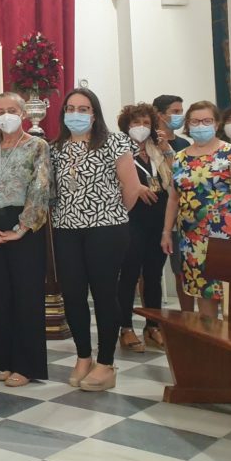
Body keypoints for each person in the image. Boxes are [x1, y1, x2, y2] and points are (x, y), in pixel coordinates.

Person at [50, 87, 140, 392]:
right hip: (66, 229)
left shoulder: (114, 142)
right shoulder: (55, 148)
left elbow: (131, 188)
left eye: (83, 109)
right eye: (71, 108)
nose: (76, 114)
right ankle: (83, 357)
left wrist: (108, 214)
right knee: (73, 294)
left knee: (103, 293)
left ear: (94, 113)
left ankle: (106, 362)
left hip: (107, 228)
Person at [0, 92, 51, 387]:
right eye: (0, 110)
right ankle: (2, 360)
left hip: (24, 228)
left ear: (24, 113)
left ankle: (26, 365)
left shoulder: (37, 146)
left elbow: (41, 188)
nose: (6, 115)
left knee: (26, 297)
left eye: (12, 109)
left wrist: (22, 227)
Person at [162, 100, 231, 319]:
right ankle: (212, 349)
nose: (200, 125)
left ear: (216, 123)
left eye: (206, 121)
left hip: (225, 236)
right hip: (191, 239)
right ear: (188, 124)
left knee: (230, 295)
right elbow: (174, 199)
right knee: (202, 294)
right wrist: (167, 232)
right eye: (195, 121)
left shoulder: (230, 153)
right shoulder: (180, 157)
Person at [116, 103, 171, 352]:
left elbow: (173, 179)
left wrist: (166, 149)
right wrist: (136, 188)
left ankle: (153, 326)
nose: (141, 127)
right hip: (131, 218)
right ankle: (125, 328)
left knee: (153, 275)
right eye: (135, 123)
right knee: (129, 274)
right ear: (126, 126)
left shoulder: (156, 151)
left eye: (146, 123)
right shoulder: (120, 151)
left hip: (158, 218)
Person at [152, 94, 194, 312]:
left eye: (181, 111)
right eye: (175, 112)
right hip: (152, 211)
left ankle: (188, 317)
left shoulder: (183, 144)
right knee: (150, 271)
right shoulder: (148, 142)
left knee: (181, 270)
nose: (180, 116)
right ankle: (153, 321)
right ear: (160, 115)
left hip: (180, 214)